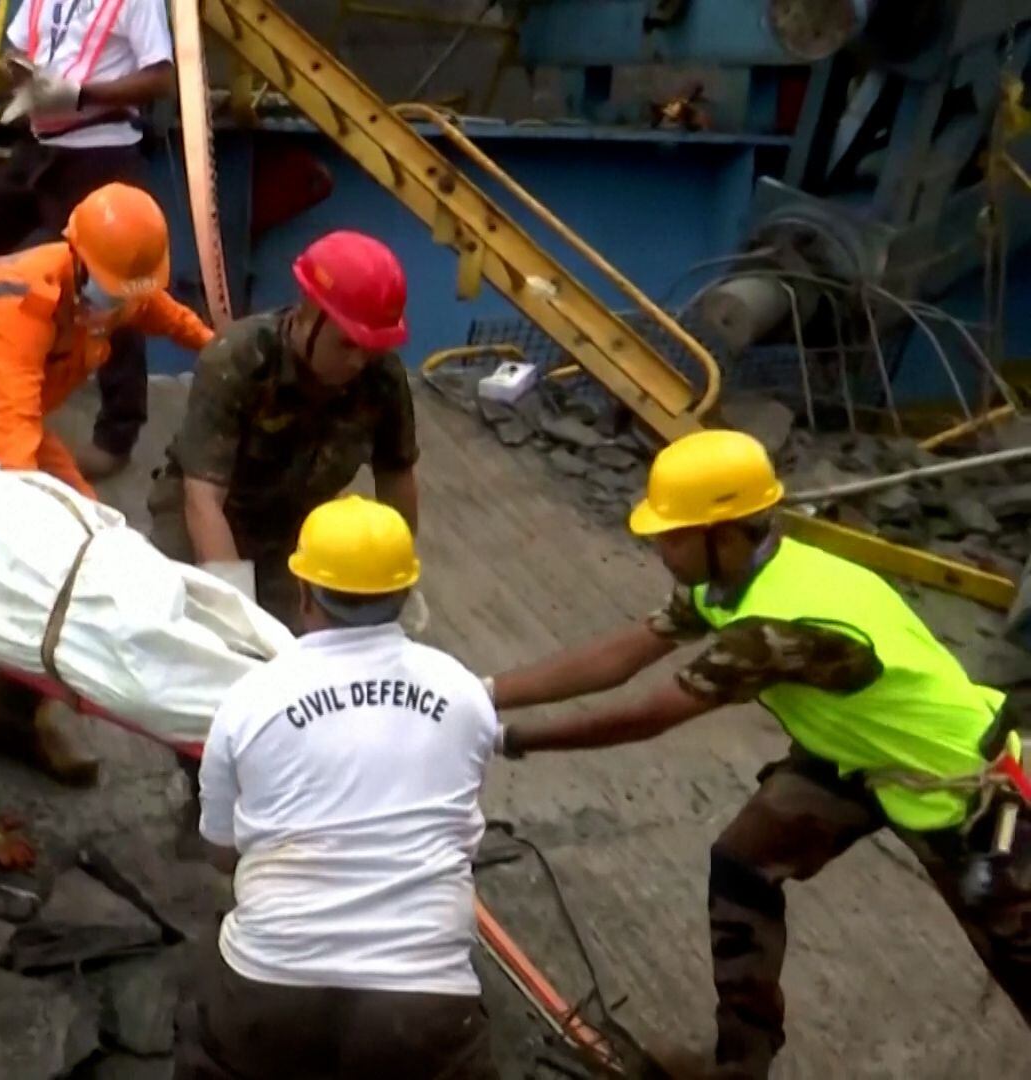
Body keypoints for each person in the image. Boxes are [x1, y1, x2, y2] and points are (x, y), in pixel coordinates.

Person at [490, 429, 1031, 1077]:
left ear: (725, 534)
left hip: (959, 789)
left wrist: (512, 739)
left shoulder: (777, 627)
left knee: (1020, 956)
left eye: (672, 536)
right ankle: (740, 1066)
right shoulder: (732, 581)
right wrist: (484, 692)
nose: (659, 548)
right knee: (742, 865)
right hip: (852, 757)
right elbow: (619, 657)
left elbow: (646, 716)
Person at [0, 181, 212, 829]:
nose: (123, 301)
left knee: (93, 546)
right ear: (76, 255)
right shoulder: (19, 300)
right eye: (116, 287)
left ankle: (13, 716)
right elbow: (12, 425)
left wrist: (218, 345)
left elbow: (160, 313)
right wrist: (20, 529)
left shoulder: (113, 285)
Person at [176, 495, 498, 1080]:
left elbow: (222, 852)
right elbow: (459, 835)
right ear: (406, 594)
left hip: (270, 986)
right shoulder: (465, 694)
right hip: (423, 1001)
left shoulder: (249, 700)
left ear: (304, 594)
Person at [0, 0, 177, 484]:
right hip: (42, 149)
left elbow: (160, 77)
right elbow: (16, 46)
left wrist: (80, 93)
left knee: (114, 289)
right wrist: (26, 79)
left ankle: (117, 435)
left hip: (101, 152)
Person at [150, 230, 419, 627]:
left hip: (296, 527)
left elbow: (396, 474)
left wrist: (394, 577)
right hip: (209, 514)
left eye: (372, 348)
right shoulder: (239, 359)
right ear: (307, 316)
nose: (359, 362)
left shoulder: (382, 378)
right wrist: (237, 612)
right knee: (179, 621)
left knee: (318, 636)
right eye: (346, 344)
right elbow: (203, 498)